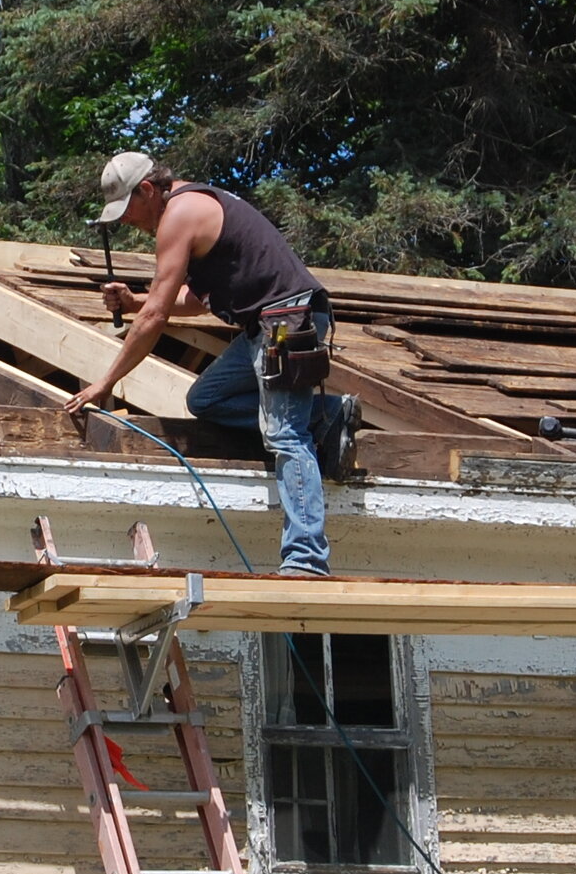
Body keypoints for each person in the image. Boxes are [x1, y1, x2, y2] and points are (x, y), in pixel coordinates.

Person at [62, 152, 362, 576]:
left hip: (286, 321)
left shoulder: (180, 214)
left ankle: (307, 560)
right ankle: (329, 415)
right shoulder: (192, 208)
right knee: (207, 398)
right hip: (266, 325)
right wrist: (133, 301)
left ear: (147, 190)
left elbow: (156, 318)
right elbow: (193, 301)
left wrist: (105, 382)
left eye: (128, 211)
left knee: (285, 437)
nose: (129, 223)